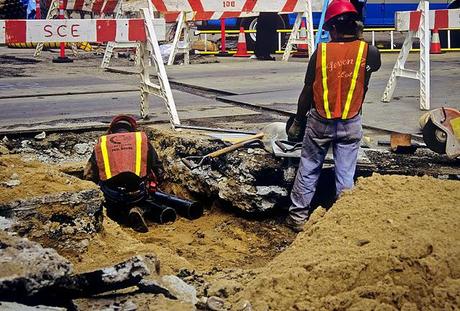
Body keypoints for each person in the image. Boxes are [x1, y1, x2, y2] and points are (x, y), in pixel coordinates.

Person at [285, 0, 381, 232]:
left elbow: (308, 90)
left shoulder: (322, 52)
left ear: (333, 29)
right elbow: (369, 71)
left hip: (320, 121)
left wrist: (298, 121)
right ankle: (343, 219)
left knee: (309, 166)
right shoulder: (369, 51)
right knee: (346, 172)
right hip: (351, 120)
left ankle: (298, 217)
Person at [84, 115, 163, 233]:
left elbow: (89, 174)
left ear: (112, 130)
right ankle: (138, 209)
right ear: (132, 130)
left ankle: (116, 214)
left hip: (111, 194)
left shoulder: (103, 143)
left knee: (110, 206)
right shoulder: (140, 140)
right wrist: (158, 183)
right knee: (152, 201)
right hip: (136, 194)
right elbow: (157, 168)